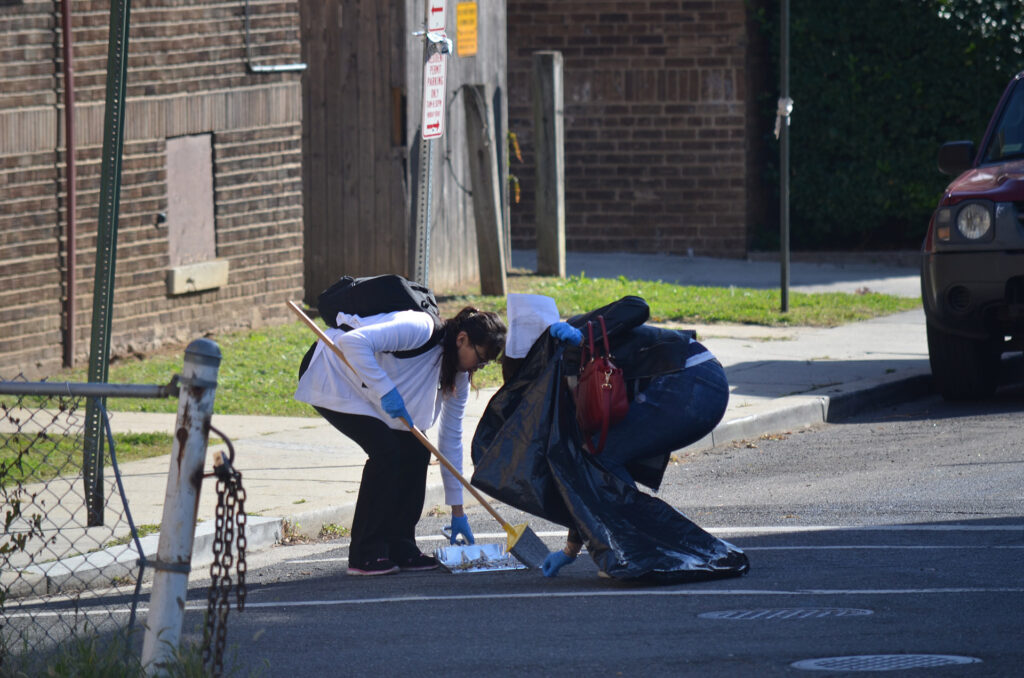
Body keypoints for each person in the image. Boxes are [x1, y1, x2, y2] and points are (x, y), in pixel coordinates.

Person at [500, 293, 733, 579]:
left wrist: (584, 334)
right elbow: (588, 475)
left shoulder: (573, 333)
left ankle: (638, 551)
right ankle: (639, 550)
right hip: (692, 385)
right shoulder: (557, 382)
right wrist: (571, 550)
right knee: (598, 455)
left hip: (694, 380)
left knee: (603, 454)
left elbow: (638, 305)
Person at [296, 304, 506, 576]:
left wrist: (458, 512)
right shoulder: (419, 328)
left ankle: (401, 546)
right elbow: (353, 342)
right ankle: (364, 553)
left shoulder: (458, 375)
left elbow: (450, 440)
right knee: (386, 452)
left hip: (370, 392)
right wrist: (386, 390)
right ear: (462, 339)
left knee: (417, 451)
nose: (477, 367)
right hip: (332, 373)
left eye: (484, 363)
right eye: (480, 358)